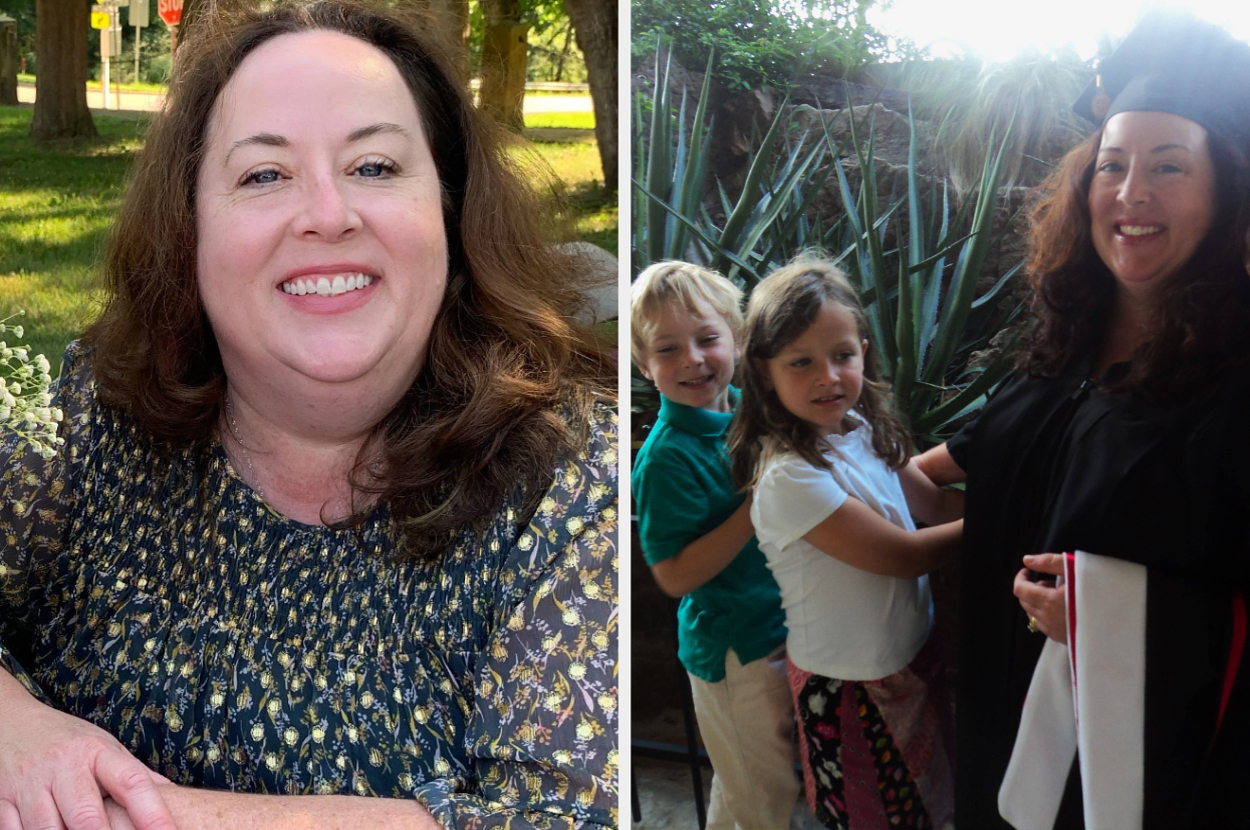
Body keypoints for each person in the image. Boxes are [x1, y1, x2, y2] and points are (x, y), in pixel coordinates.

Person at [0, 2, 617, 829]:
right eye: (264, 175)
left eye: (374, 166)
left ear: (449, 209)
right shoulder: (97, 409)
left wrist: (127, 815)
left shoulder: (572, 473)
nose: (328, 213)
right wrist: (15, 725)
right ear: (189, 228)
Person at [913, 11, 1250, 828]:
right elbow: (950, 472)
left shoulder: (1235, 381)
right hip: (998, 723)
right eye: (1112, 165)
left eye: (1169, 166)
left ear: (1225, 191)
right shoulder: (1059, 350)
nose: (1132, 193)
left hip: (1130, 773)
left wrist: (1117, 623)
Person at [728, 258, 962, 830]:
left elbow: (933, 505)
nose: (828, 376)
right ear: (763, 373)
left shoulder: (862, 428)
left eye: (842, 355)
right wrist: (1009, 518)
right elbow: (903, 556)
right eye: (801, 362)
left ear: (863, 351)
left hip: (912, 656)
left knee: (929, 811)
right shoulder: (788, 477)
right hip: (848, 687)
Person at [630, 261, 799, 830]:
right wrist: (754, 509)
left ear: (738, 340)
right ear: (644, 365)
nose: (693, 360)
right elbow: (674, 575)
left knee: (751, 781)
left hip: (778, 627)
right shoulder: (666, 459)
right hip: (735, 653)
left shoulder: (751, 411)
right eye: (668, 349)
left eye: (707, 339)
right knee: (762, 795)